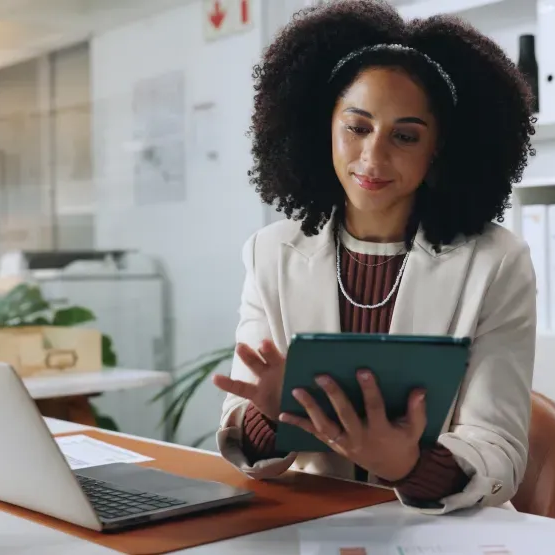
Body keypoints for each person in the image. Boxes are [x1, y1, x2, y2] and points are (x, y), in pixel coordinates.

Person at [212, 0, 537, 514]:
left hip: (445, 534)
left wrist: (406, 465)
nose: (373, 157)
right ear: (323, 129)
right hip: (316, 526)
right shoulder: (270, 253)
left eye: (404, 136)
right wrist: (268, 418)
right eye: (357, 127)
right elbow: (248, 448)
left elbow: (499, 451)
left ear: (439, 150)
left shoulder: (497, 261)